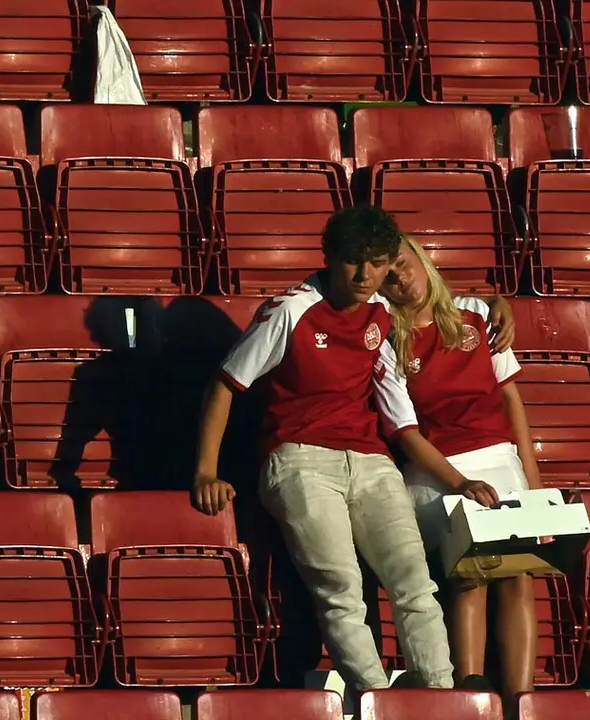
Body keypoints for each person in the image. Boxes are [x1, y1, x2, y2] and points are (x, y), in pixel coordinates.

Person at [191, 206, 470, 695]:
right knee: (342, 590)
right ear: (331, 258)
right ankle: (376, 700)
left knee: (415, 582)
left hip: (371, 459)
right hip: (299, 460)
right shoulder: (291, 310)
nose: (365, 275)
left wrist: (499, 304)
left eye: (377, 263)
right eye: (353, 261)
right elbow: (225, 383)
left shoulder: (382, 310)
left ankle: (439, 696)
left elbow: (442, 306)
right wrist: (205, 472)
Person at [372, 235, 543, 707]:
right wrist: (460, 482)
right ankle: (469, 698)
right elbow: (406, 433)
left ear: (422, 259)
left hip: (500, 460)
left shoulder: (479, 315)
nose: (402, 278)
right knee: (475, 568)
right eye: (389, 276)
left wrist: (534, 484)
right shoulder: (387, 341)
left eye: (404, 264)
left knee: (518, 573)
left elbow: (511, 400)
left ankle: (521, 701)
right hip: (438, 473)